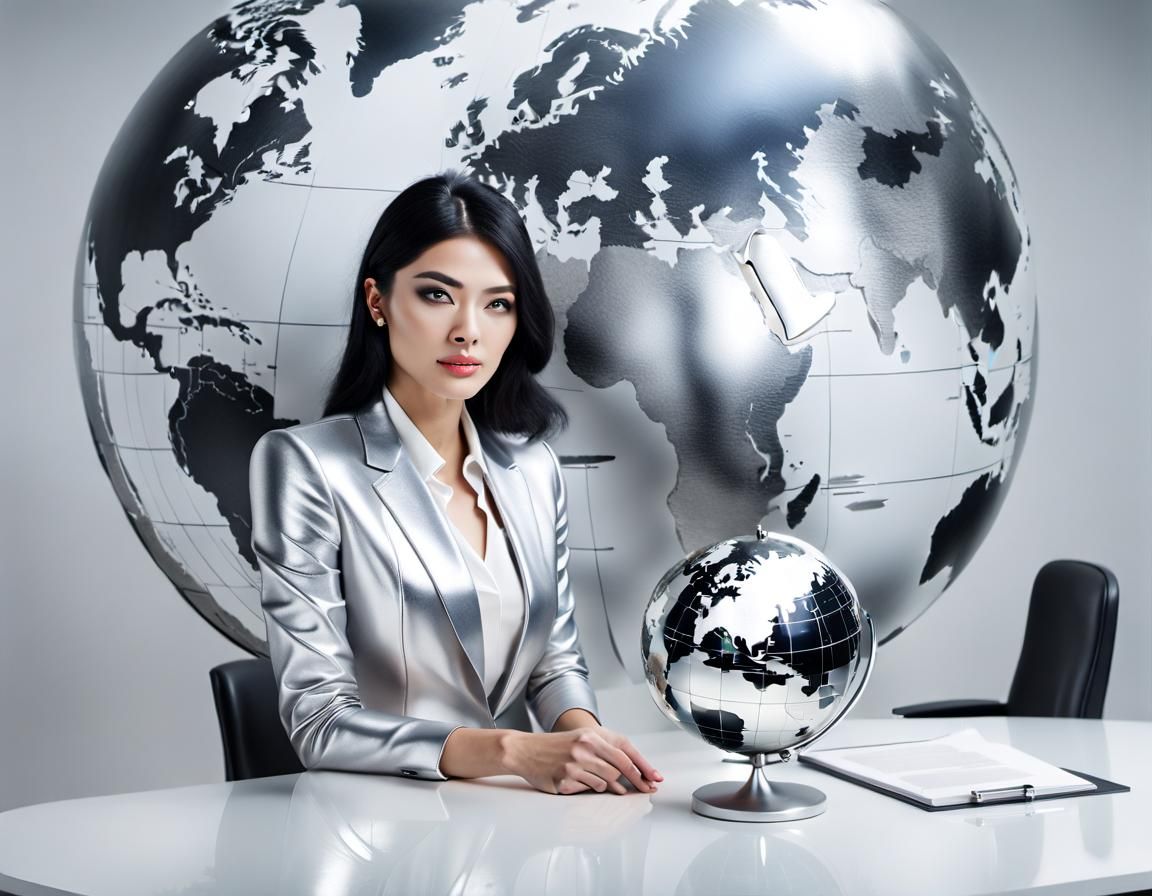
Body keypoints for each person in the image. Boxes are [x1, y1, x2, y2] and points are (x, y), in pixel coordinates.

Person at [249, 171, 662, 796]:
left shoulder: (532, 468)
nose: (469, 329)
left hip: (522, 825)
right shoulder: (307, 466)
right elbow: (318, 723)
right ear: (377, 301)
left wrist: (583, 742)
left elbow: (553, 657)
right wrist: (513, 751)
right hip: (383, 834)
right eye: (438, 295)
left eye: (497, 303)